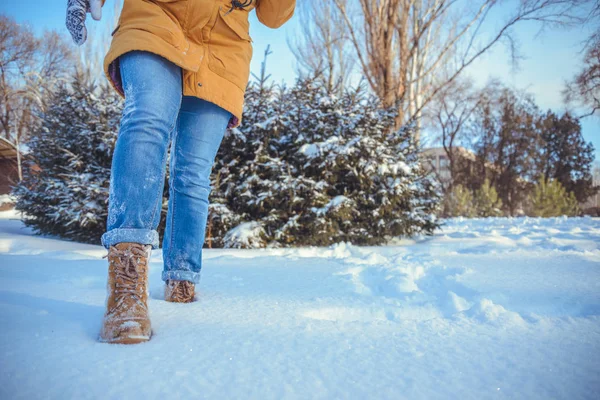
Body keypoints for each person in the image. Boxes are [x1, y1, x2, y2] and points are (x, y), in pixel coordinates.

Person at [66, 0, 296, 344]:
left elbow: (274, 17)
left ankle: (182, 278)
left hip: (223, 49)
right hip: (155, 16)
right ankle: (126, 284)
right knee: (147, 118)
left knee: (193, 172)